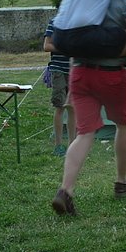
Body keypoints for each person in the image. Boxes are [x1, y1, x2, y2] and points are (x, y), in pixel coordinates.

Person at [51, 0, 126, 216]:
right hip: (112, 72)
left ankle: (65, 190)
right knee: (124, 123)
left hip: (79, 71)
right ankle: (122, 181)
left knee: (84, 134)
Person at [43, 19, 76, 157]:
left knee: (73, 108)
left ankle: (72, 145)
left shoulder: (78, 22)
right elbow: (46, 46)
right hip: (58, 71)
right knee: (60, 106)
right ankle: (58, 145)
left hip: (74, 69)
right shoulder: (55, 22)